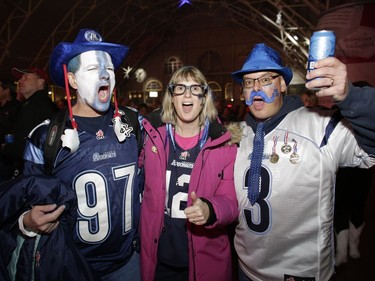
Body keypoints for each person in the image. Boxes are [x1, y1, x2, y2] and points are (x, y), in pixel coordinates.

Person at [231, 43, 375, 281]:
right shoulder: (236, 135)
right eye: (248, 82)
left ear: (283, 84)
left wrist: (351, 96)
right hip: (245, 269)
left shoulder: (319, 127)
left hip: (300, 274)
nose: (256, 88)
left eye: (266, 79)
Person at [6, 29, 142, 280]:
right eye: (92, 69)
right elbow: (22, 202)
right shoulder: (45, 137)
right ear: (73, 80)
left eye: (109, 69)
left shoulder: (135, 124)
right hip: (68, 266)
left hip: (128, 266)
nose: (104, 74)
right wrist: (27, 222)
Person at [139, 66, 239, 281]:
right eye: (180, 89)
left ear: (204, 99)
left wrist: (210, 209)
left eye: (195, 89)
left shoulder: (223, 145)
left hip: (204, 259)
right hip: (158, 258)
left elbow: (231, 202)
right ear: (171, 98)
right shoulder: (151, 138)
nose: (187, 94)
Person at [334, 80, 375, 266]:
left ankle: (352, 246)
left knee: (355, 207)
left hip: (361, 171)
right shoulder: (339, 114)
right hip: (343, 170)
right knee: (343, 208)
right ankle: (343, 251)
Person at [0, 68, 57, 181]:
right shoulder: (43, 104)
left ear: (40, 82)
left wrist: (6, 148)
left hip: (31, 174)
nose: (20, 81)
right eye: (20, 78)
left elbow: (22, 147)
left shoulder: (34, 107)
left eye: (26, 77)